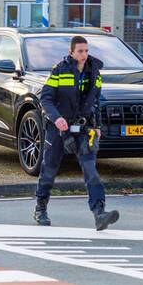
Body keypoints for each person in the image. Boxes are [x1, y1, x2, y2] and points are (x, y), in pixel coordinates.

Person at [34, 35, 120, 231]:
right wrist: (57, 118)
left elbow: (96, 101)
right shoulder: (59, 70)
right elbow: (45, 98)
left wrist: (97, 126)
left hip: (83, 128)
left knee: (90, 170)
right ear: (71, 52)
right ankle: (40, 208)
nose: (84, 55)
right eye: (80, 51)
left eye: (86, 51)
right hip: (59, 128)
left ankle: (99, 213)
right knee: (49, 169)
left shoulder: (94, 71)